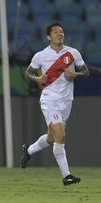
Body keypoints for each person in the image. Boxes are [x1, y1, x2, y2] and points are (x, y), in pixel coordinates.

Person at [20, 22, 89, 186]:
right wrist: (38, 78)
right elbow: (28, 72)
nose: (60, 34)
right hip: (49, 99)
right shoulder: (40, 56)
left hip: (66, 101)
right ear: (48, 37)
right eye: (56, 32)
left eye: (62, 32)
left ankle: (28, 150)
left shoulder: (73, 53)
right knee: (61, 136)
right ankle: (67, 176)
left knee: (52, 138)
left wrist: (75, 74)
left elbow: (85, 72)